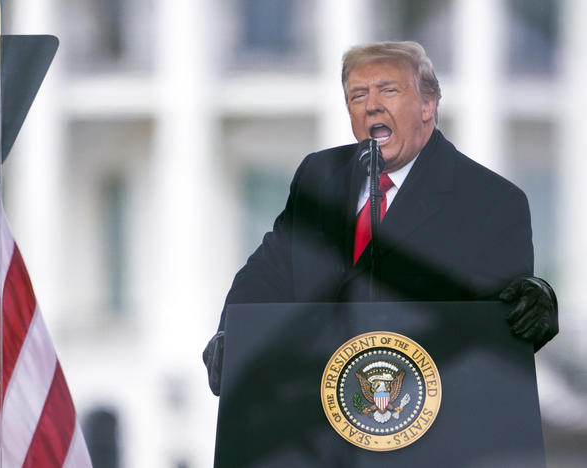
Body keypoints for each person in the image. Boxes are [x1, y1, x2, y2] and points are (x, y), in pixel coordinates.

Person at [203, 41, 558, 396]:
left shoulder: (491, 200)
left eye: (388, 90)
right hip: (314, 417)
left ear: (427, 105)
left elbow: (506, 317)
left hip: (428, 420)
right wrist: (232, 336)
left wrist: (535, 301)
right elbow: (269, 272)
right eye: (358, 96)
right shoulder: (319, 175)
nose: (372, 105)